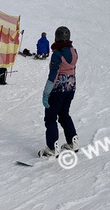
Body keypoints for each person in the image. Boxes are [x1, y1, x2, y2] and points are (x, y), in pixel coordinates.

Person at [39, 26, 78, 157]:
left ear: (56, 37)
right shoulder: (73, 51)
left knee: (50, 117)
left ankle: (51, 148)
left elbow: (53, 76)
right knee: (64, 114)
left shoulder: (57, 54)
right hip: (71, 88)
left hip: (58, 90)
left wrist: (46, 93)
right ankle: (73, 142)